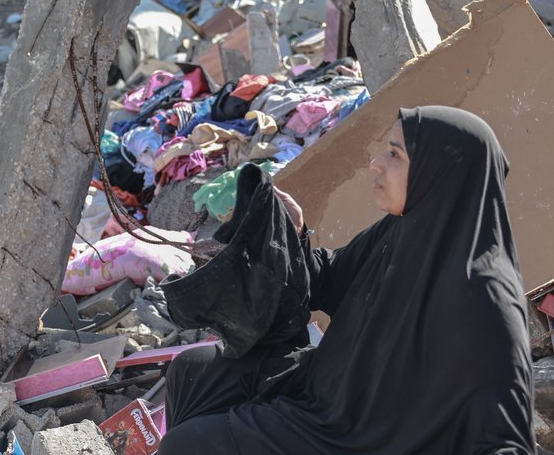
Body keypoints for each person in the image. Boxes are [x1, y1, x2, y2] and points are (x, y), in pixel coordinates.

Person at [158, 106, 535, 454]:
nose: (376, 164)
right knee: (193, 373)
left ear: (438, 173)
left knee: (188, 445)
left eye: (395, 155)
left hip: (361, 436)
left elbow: (507, 438)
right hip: (331, 388)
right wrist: (295, 231)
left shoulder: (485, 295)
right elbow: (329, 279)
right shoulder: (403, 229)